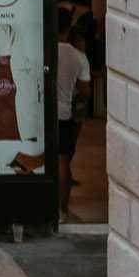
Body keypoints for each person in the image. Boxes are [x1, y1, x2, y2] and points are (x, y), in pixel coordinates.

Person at [57, 20, 95, 222]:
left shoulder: (42, 49)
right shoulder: (78, 57)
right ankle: (62, 211)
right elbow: (86, 91)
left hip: (40, 115)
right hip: (64, 113)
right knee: (63, 161)